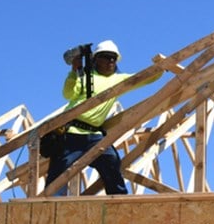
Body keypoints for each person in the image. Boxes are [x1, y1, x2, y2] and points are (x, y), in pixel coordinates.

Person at [44, 40, 154, 195]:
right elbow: (68, 94)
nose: (110, 61)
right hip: (72, 133)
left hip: (95, 135)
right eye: (106, 56)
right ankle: (52, 207)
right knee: (59, 174)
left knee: (112, 164)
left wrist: (162, 67)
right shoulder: (84, 77)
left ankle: (119, 203)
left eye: (113, 58)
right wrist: (73, 71)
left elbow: (143, 78)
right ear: (96, 59)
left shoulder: (119, 80)